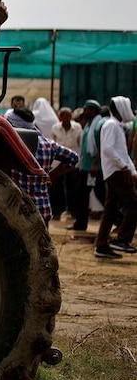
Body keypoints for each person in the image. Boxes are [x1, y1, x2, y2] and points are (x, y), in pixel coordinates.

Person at [7, 107, 79, 226]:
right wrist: (50, 175)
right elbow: (73, 158)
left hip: (17, 209)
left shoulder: (11, 145)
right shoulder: (48, 144)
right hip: (42, 209)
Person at [94, 96, 137, 258]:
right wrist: (125, 168)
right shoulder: (112, 125)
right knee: (134, 203)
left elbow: (123, 153)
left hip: (116, 171)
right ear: (119, 109)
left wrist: (132, 171)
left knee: (110, 210)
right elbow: (109, 150)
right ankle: (122, 240)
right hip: (116, 171)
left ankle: (102, 245)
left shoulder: (116, 125)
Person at [69, 100, 106, 231]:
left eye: (86, 109)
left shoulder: (99, 124)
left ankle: (119, 220)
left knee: (100, 194)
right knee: (83, 195)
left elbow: (102, 145)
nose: (84, 112)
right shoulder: (90, 124)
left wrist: (95, 164)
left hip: (93, 169)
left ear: (93, 110)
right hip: (86, 167)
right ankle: (80, 224)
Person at [50, 106, 82, 222]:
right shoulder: (55, 128)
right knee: (57, 188)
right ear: (61, 117)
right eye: (64, 116)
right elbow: (53, 144)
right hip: (59, 162)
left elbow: (80, 144)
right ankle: (57, 211)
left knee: (73, 187)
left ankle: (73, 211)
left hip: (73, 163)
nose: (67, 118)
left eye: (69, 116)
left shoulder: (77, 128)